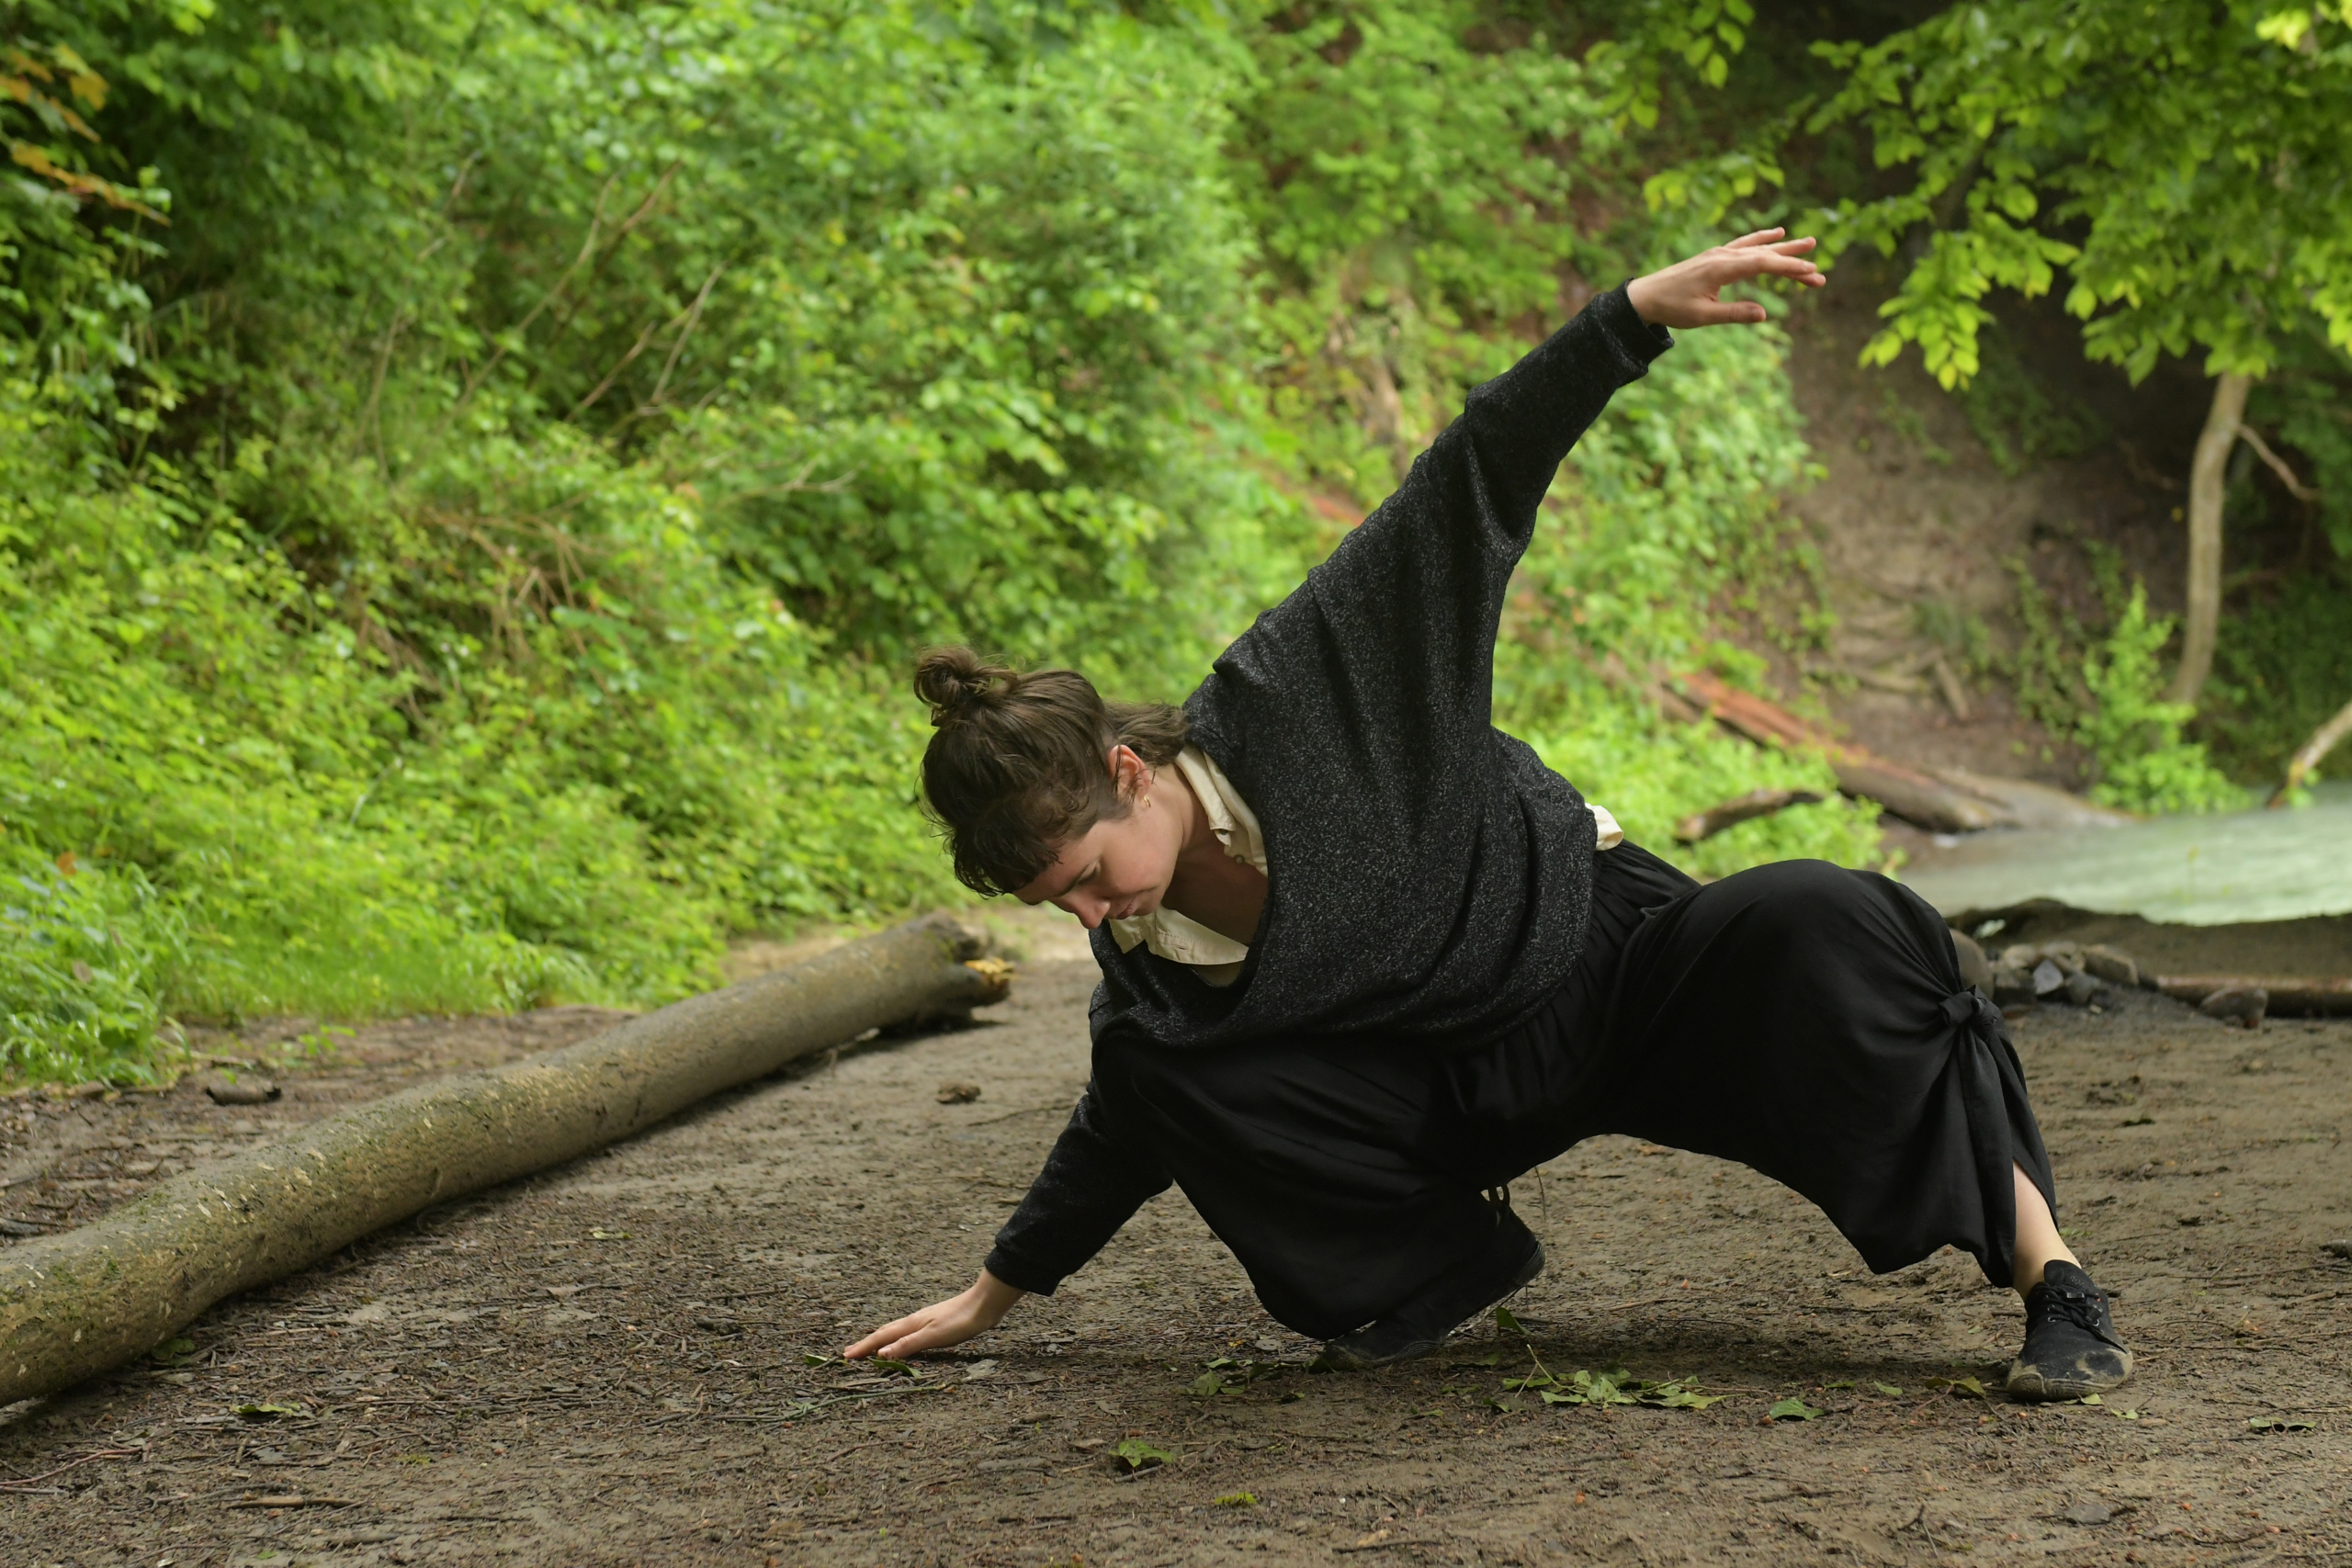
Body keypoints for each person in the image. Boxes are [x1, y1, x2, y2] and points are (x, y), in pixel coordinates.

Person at [843, 231, 2132, 1400]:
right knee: (1149, 1061)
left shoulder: (1299, 686)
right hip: (1446, 1077)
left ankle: (2057, 1287)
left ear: (1128, 770)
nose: (1087, 916)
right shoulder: (1146, 956)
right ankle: (1440, 1270)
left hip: (1607, 962)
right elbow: (1123, 1128)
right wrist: (995, 1294)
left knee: (1825, 915)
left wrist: (1629, 317)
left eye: (1084, 875)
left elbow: (1466, 484)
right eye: (1054, 905)